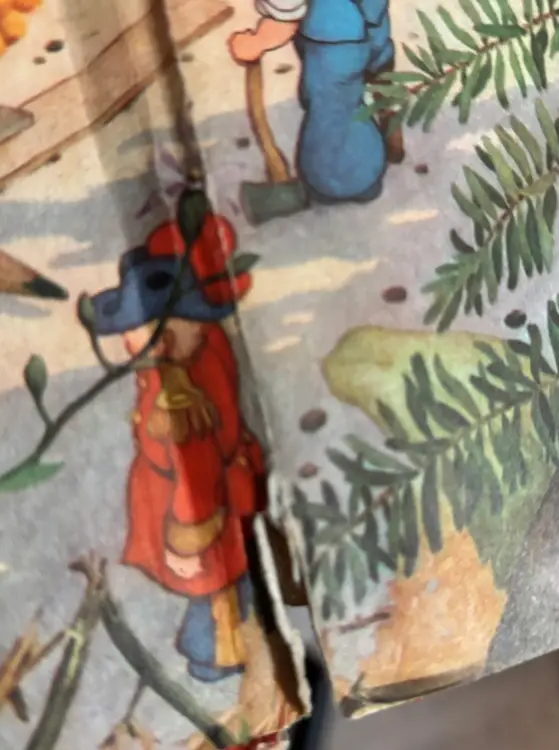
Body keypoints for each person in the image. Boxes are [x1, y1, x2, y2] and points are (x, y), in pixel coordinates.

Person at [89, 210, 267, 683]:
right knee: (224, 584)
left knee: (223, 583)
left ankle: (214, 652)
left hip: (204, 503)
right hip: (197, 499)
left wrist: (189, 532)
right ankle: (213, 650)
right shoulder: (179, 374)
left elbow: (200, 469)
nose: (132, 343)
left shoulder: (186, 393)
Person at [228, 0, 404, 206]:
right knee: (359, 80)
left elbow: (286, 16)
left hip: (334, 37)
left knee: (333, 116)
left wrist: (258, 41)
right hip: (367, 16)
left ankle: (350, 182)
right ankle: (388, 137)